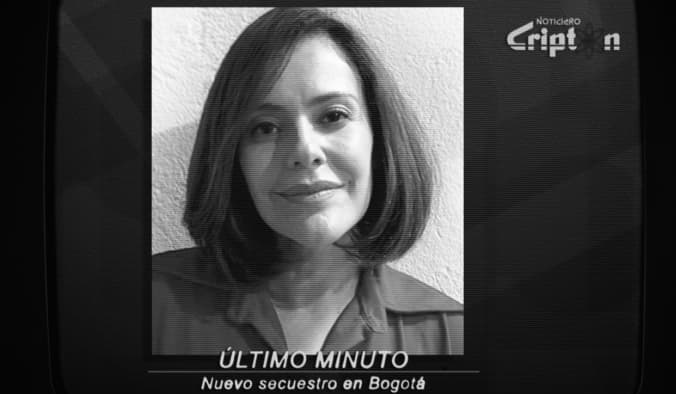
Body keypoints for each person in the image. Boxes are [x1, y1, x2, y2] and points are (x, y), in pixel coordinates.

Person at [152, 7, 463, 355]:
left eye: (333, 116)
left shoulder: (452, 337)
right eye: (265, 128)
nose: (304, 151)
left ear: (378, 138)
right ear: (232, 157)